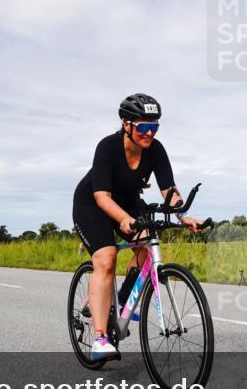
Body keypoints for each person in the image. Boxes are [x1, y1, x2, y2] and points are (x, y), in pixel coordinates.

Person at [73, 93, 202, 360]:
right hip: (93, 203)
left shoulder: (156, 150)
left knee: (146, 245)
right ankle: (100, 338)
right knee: (107, 257)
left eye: (155, 127)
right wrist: (122, 218)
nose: (150, 133)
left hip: (128, 202)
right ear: (127, 124)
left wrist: (183, 215)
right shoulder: (107, 147)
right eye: (144, 126)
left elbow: (168, 190)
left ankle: (122, 298)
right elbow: (102, 197)